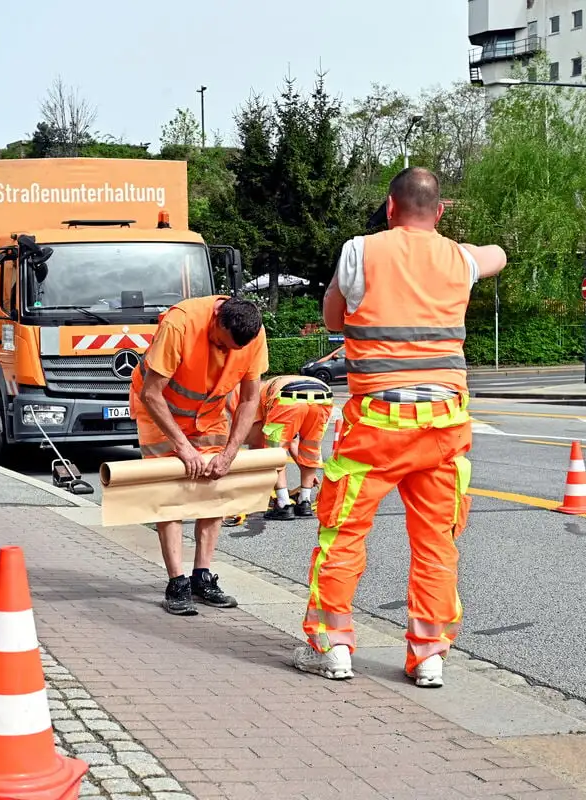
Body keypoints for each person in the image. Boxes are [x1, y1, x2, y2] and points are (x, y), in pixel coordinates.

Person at [292, 167, 507, 689]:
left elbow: (333, 321)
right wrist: (458, 246)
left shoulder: (360, 251)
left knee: (342, 534)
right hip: (444, 425)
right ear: (438, 211)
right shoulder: (460, 259)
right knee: (436, 542)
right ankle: (428, 654)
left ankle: (334, 647)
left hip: (376, 423)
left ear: (389, 208)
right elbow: (496, 254)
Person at [130, 295, 269, 616]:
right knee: (171, 494)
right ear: (217, 319)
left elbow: (249, 400)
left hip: (209, 412)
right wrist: (182, 446)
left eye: (232, 350)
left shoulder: (253, 333)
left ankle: (201, 577)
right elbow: (151, 392)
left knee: (213, 489)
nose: (225, 353)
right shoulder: (179, 323)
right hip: (158, 414)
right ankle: (176, 582)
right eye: (221, 344)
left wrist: (230, 455)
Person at [222, 374, 334, 525]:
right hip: (323, 396)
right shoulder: (262, 388)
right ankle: (305, 501)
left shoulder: (244, 396)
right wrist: (305, 468)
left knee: (274, 452)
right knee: (310, 447)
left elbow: (256, 442)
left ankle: (283, 504)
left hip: (285, 397)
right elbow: (293, 443)